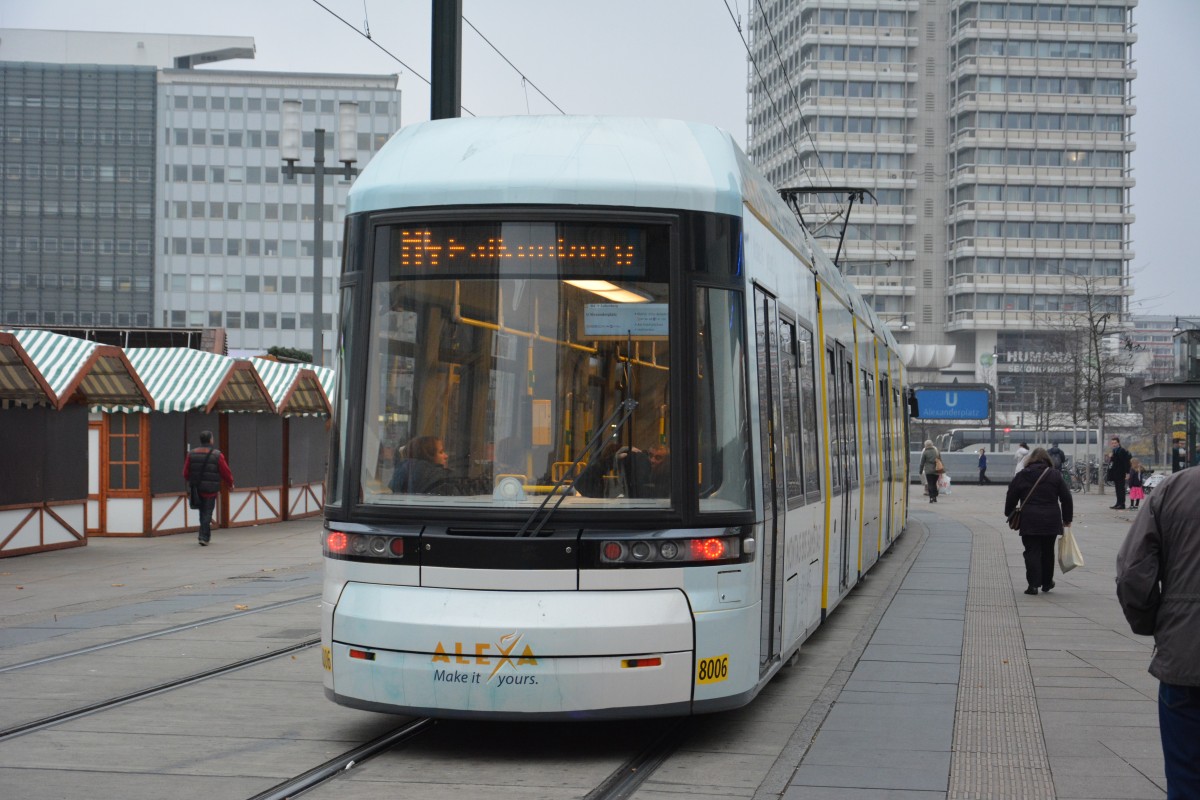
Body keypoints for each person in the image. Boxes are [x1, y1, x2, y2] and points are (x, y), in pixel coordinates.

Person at [1116, 467, 1200, 799]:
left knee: (1186, 776)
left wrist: (1154, 623)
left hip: (1187, 653)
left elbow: (1133, 573)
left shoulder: (1175, 488)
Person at [1004, 447, 1072, 595]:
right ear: (1048, 460)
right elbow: (1066, 498)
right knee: (1048, 551)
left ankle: (1033, 585)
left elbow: (1011, 494)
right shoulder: (1055, 475)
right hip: (1051, 519)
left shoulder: (1023, 475)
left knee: (1031, 551)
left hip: (1029, 519)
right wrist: (1067, 519)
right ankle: (1047, 583)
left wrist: (1009, 512)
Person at [183, 430, 235, 546]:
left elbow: (185, 473)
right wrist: (230, 484)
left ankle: (203, 535)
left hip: (196, 489)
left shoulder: (191, 454)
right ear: (211, 440)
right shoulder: (217, 455)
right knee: (207, 512)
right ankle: (204, 537)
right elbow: (225, 471)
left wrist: (192, 481)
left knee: (202, 512)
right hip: (210, 489)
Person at [1107, 436, 1132, 510]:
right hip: (1116, 473)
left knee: (1121, 489)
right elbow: (1114, 462)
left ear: (1118, 443)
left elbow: (1125, 462)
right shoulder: (1114, 450)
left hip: (1121, 473)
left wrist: (1127, 472)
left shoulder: (1121, 450)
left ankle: (1122, 504)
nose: (1114, 444)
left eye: (1115, 443)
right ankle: (1118, 503)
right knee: (1117, 489)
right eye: (1112, 443)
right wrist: (1111, 457)